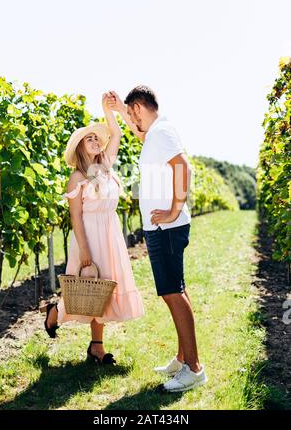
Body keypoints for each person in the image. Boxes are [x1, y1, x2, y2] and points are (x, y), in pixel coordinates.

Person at [107, 86, 207, 391]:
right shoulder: (153, 136)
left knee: (172, 292)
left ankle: (194, 368)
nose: (132, 124)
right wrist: (118, 112)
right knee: (176, 290)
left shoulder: (162, 133)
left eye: (132, 114)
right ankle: (182, 357)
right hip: (160, 229)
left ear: (139, 107)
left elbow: (183, 167)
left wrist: (174, 209)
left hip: (168, 228)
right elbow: (139, 134)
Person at [42, 93, 144, 365]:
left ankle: (96, 347)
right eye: (90, 138)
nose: (96, 141)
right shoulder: (76, 177)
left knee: (103, 291)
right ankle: (55, 312)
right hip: (88, 235)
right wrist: (85, 248)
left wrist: (107, 111)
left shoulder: (105, 167)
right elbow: (76, 217)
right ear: (79, 147)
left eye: (97, 138)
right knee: (85, 289)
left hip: (109, 233)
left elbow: (117, 134)